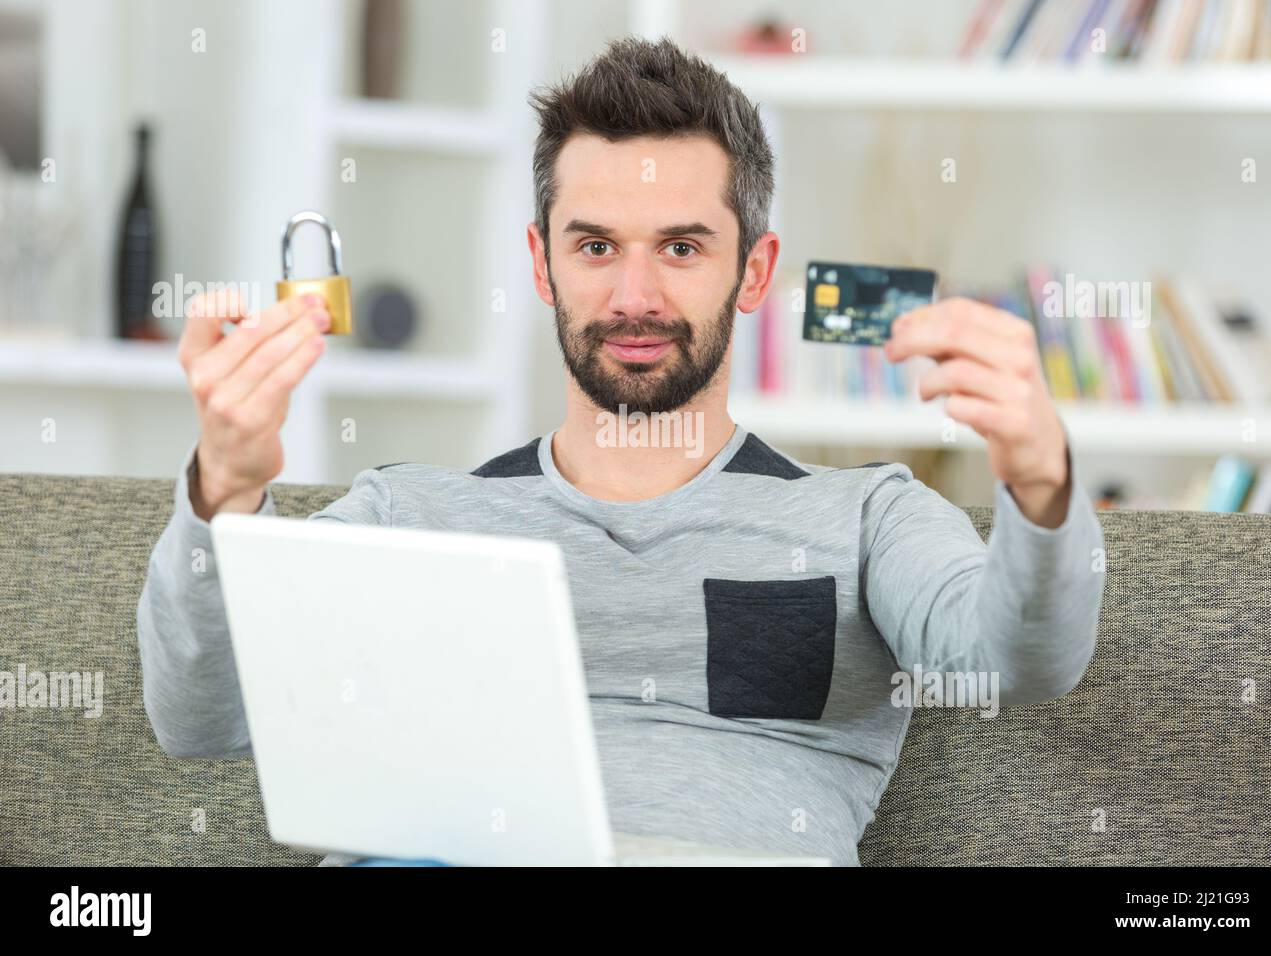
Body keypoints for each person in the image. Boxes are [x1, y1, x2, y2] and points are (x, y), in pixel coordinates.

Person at [138, 36, 1104, 868]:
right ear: (541, 263)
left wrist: (1039, 480)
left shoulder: (865, 516)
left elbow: (1017, 665)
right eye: (595, 247)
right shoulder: (407, 514)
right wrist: (224, 486)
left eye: (681, 248)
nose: (634, 297)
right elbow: (200, 720)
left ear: (753, 270)